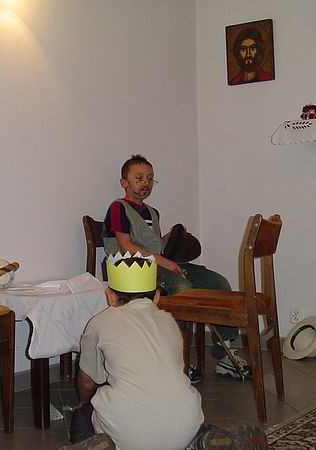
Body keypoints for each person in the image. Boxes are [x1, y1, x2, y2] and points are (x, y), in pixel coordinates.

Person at [102, 155, 250, 380]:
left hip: (156, 265)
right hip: (133, 270)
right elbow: (126, 246)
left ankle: (226, 355)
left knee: (218, 282)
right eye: (139, 178)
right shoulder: (118, 207)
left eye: (150, 179)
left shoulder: (153, 212)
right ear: (124, 182)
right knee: (182, 288)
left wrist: (170, 239)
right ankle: (179, 360)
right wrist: (165, 262)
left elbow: (155, 247)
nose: (145, 183)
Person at [69, 254, 204, 449]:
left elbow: (87, 381)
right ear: (156, 296)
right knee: (179, 416)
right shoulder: (169, 321)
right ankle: (197, 442)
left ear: (111, 296)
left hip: (128, 433)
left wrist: (83, 402)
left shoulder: (100, 322)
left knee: (82, 415)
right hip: (186, 424)